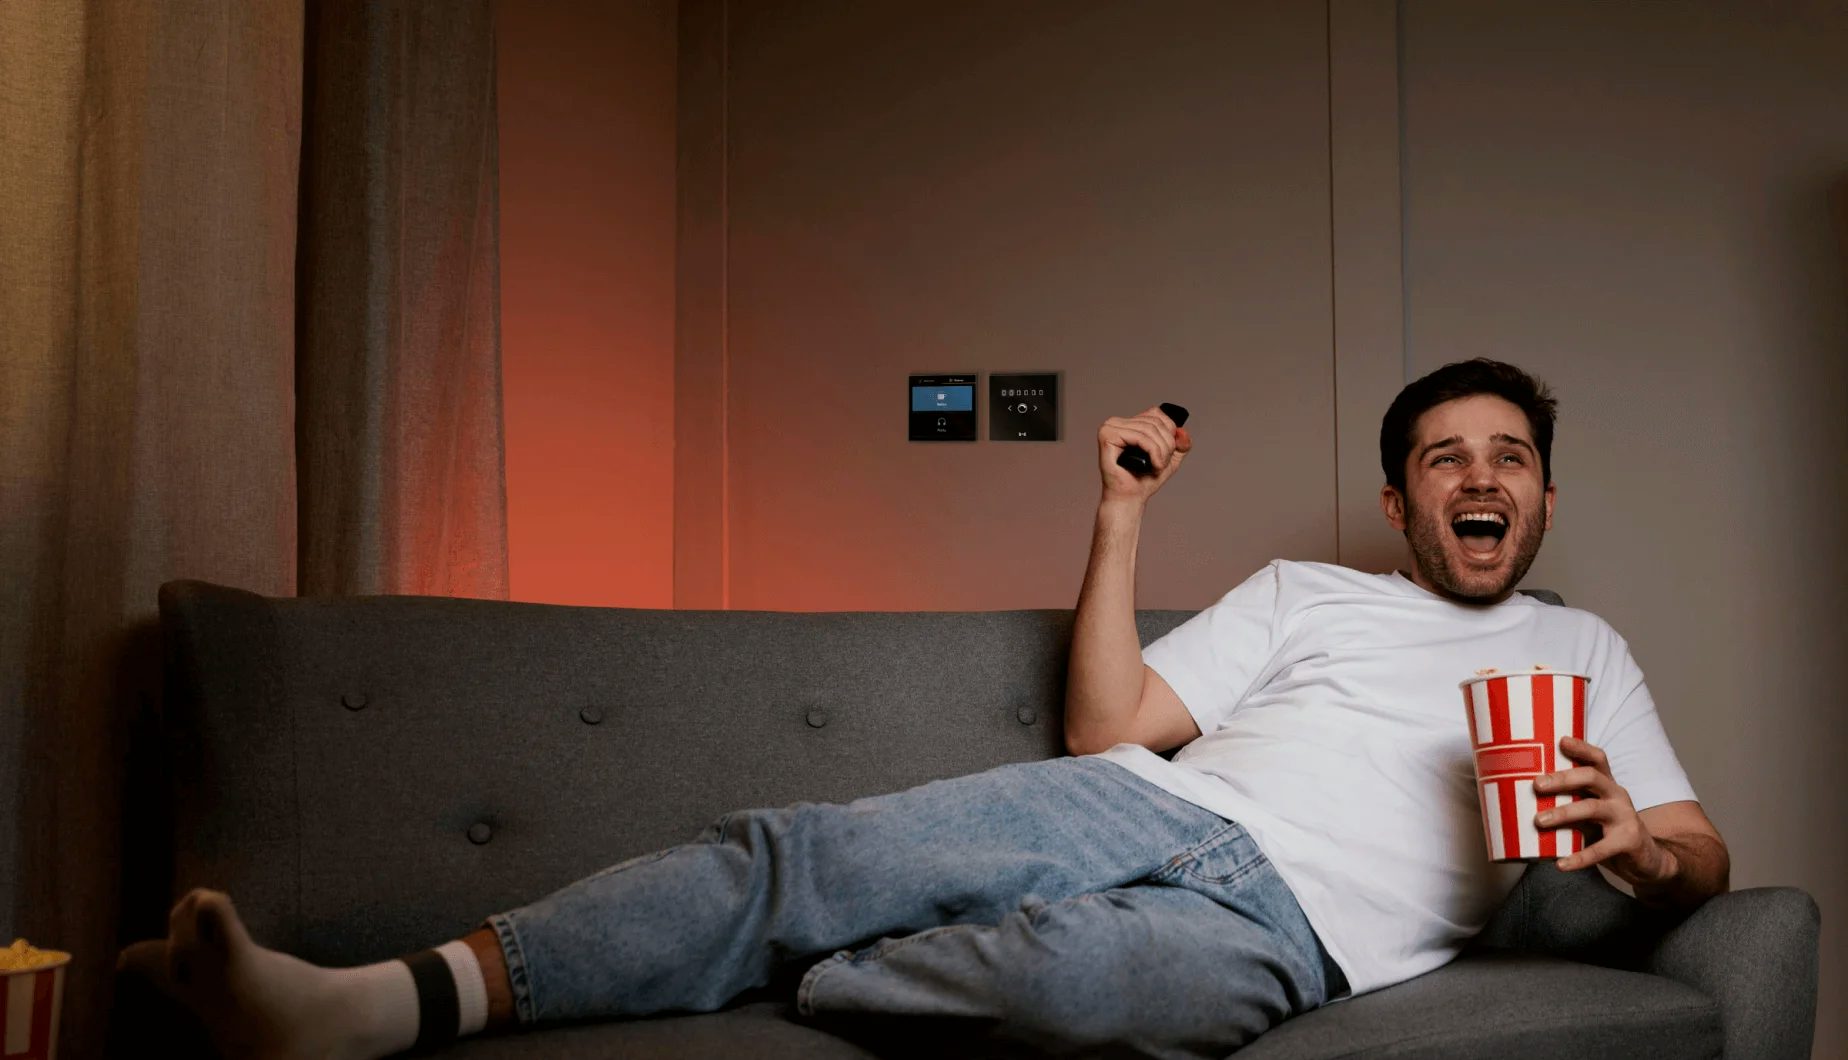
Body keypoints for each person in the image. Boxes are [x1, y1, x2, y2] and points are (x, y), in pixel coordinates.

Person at [119, 357, 1729, 1059]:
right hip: (1156, 807)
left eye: (1507, 457)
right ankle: (373, 1006)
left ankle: (782, 979)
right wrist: (1119, 518)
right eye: (1446, 456)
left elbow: (1701, 854)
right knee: (797, 850)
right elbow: (1107, 734)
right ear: (1399, 500)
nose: (1478, 477)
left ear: (1542, 497)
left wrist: (1636, 851)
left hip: (1297, 935)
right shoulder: (1314, 595)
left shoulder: (1587, 650)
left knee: (1088, 996)